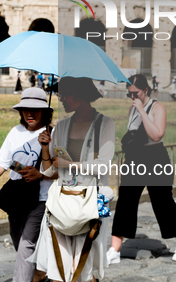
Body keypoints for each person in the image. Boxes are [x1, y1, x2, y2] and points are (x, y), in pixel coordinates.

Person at [32, 77, 115, 282]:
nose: (61, 100)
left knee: (85, 271)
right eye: (59, 95)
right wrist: (45, 148)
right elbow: (50, 171)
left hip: (89, 204)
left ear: (80, 95)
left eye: (64, 94)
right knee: (57, 268)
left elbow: (103, 165)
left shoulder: (104, 124)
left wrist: (68, 164)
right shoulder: (62, 126)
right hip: (62, 203)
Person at [108, 74, 176, 264]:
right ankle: (114, 249)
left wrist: (142, 112)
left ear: (145, 90)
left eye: (135, 93)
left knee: (162, 202)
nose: (132, 98)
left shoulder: (157, 107)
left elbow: (156, 135)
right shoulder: (132, 108)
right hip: (135, 159)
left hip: (155, 158)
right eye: (129, 94)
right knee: (126, 201)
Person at [0, 88, 54, 282]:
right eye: (25, 109)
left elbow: (60, 171)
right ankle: (38, 272)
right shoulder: (15, 132)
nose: (30, 114)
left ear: (45, 111)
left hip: (40, 199)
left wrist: (40, 174)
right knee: (17, 239)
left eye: (35, 109)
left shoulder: (53, 134)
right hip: (17, 198)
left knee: (27, 245)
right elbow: (3, 161)